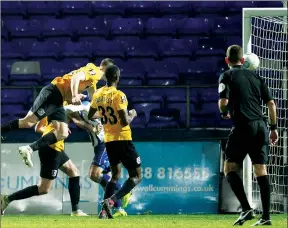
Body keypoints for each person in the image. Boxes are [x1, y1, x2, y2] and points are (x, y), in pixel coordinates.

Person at [1, 59, 114, 168]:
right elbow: (77, 77)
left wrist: (101, 113)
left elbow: (93, 103)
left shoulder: (93, 82)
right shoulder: (96, 72)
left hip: (59, 102)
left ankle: (29, 149)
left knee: (62, 132)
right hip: (53, 93)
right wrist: (75, 95)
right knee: (28, 123)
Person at [218, 45, 278, 226]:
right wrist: (273, 128)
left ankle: (246, 209)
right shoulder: (256, 76)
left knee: (229, 168)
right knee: (261, 169)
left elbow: (223, 102)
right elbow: (272, 105)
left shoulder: (226, 75)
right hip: (261, 126)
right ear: (243, 61)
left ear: (227, 60)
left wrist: (224, 112)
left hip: (243, 126)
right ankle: (266, 217)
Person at [1, 114, 88, 217]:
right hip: (51, 149)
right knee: (43, 189)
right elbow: (38, 128)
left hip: (58, 148)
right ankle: (7, 199)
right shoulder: (55, 108)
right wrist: (54, 133)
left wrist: (59, 132)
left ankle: (75, 211)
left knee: (73, 172)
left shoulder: (60, 106)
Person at [88, 65, 142, 219]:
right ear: (117, 77)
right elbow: (125, 121)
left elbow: (91, 115)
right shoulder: (119, 95)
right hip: (123, 139)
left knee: (115, 175)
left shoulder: (97, 94)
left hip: (109, 141)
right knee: (136, 176)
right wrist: (133, 114)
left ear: (105, 78)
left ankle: (103, 211)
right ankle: (111, 201)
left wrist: (104, 114)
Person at [64, 101, 132, 217]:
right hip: (99, 144)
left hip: (105, 141)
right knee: (105, 179)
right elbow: (76, 120)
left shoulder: (87, 103)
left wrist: (97, 123)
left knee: (94, 174)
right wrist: (91, 127)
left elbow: (100, 113)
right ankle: (119, 208)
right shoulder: (70, 107)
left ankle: (123, 191)